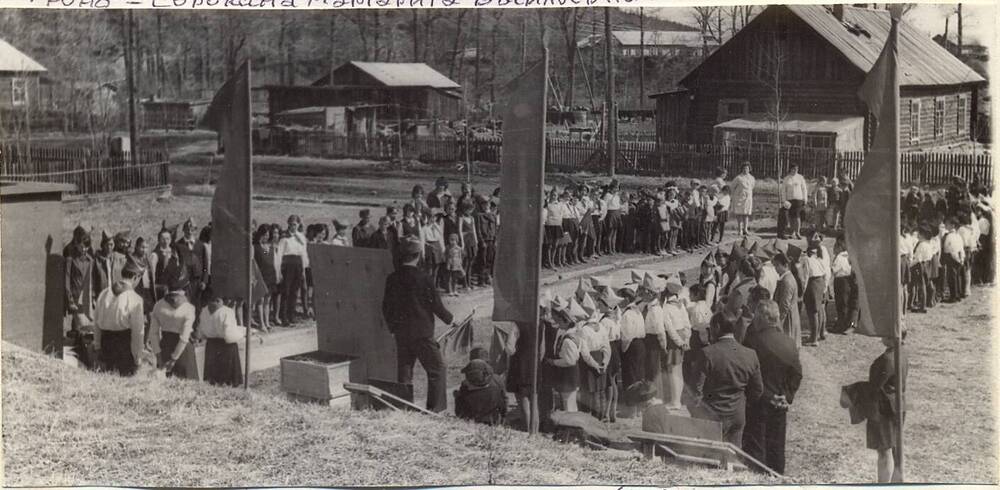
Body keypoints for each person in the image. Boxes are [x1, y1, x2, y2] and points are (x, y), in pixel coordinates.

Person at [382, 238, 455, 413]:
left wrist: (393, 328)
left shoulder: (392, 278)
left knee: (405, 372)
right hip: (422, 334)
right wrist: (450, 319)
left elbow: (386, 307)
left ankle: (403, 409)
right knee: (437, 369)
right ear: (418, 255)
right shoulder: (424, 278)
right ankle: (434, 410)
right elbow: (436, 305)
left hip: (401, 333)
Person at [742, 300, 802, 475]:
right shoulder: (789, 342)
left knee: (756, 449)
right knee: (776, 447)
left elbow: (748, 375)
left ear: (762, 317)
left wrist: (768, 396)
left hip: (757, 403)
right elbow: (797, 373)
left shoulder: (752, 341)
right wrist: (787, 395)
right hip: (780, 404)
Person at [691, 312, 763, 447]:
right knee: (733, 456)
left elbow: (695, 389)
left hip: (711, 414)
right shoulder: (750, 354)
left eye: (710, 328)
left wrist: (697, 410)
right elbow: (757, 389)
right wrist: (743, 404)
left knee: (709, 457)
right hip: (737, 414)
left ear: (717, 327)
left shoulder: (707, 353)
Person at [93, 261, 146, 377]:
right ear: (136, 277)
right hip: (124, 350)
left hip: (105, 346)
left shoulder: (104, 293)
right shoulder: (135, 299)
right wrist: (138, 359)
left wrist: (97, 347)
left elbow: (96, 323)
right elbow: (138, 333)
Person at [868, 333, 909, 483]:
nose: (881, 336)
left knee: (884, 451)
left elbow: (874, 386)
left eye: (885, 333)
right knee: (895, 448)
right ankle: (897, 481)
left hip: (885, 407)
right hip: (898, 404)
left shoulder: (887, 359)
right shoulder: (902, 352)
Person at [148, 278, 198, 380]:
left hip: (165, 348)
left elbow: (153, 333)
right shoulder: (189, 308)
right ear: (185, 288)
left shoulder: (158, 305)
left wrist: (158, 355)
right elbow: (184, 338)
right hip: (183, 352)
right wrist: (174, 359)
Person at [199, 289, 245, 387]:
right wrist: (242, 334)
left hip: (211, 345)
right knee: (227, 379)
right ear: (219, 300)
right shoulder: (227, 312)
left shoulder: (204, 311)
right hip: (226, 346)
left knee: (213, 379)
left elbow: (202, 331)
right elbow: (229, 335)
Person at [660, 275, 691, 410]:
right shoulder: (681, 305)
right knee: (679, 371)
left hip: (674, 342)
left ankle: (675, 401)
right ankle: (677, 399)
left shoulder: (666, 308)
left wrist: (679, 342)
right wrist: (686, 339)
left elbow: (670, 329)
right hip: (683, 338)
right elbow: (687, 324)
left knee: (673, 371)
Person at [454, 358, 507, 425]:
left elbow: (459, 413)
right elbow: (503, 406)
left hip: (471, 423)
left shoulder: (465, 389)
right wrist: (504, 416)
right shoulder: (496, 389)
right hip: (492, 422)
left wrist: (457, 398)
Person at [276, 215, 308, 326]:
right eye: (290, 224)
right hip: (287, 264)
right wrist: (279, 270)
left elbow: (304, 254)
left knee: (295, 291)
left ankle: (291, 315)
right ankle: (283, 316)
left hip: (298, 264)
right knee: (286, 291)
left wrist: (303, 269)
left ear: (298, 224)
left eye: (295, 224)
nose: (292, 226)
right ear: (288, 224)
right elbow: (279, 254)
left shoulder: (301, 237)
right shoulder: (284, 237)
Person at [773, 253, 802, 348]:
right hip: (790, 316)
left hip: (788, 320)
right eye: (774, 265)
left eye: (777, 265)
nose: (775, 268)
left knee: (787, 346)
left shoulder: (787, 281)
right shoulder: (786, 278)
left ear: (785, 265)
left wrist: (779, 322)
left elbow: (784, 305)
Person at [830, 236, 858, 334]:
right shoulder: (850, 254)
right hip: (850, 280)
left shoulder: (840, 257)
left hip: (841, 281)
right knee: (849, 303)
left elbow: (833, 270)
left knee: (842, 304)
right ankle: (848, 323)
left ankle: (842, 325)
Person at [781, 166, 808, 239]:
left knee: (797, 216)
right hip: (789, 200)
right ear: (790, 169)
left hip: (798, 199)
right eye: (793, 169)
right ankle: (792, 232)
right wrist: (784, 200)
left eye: (796, 169)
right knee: (791, 216)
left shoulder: (800, 177)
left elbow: (804, 189)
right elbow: (783, 190)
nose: (795, 170)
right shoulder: (786, 178)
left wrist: (805, 198)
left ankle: (798, 232)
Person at [731, 163, 755, 237]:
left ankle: (745, 229)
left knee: (746, 214)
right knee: (739, 213)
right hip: (739, 198)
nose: (745, 170)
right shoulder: (738, 178)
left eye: (747, 168)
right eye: (744, 168)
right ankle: (740, 230)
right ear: (742, 169)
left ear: (749, 169)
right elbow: (732, 187)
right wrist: (736, 195)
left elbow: (752, 186)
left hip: (748, 198)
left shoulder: (752, 178)